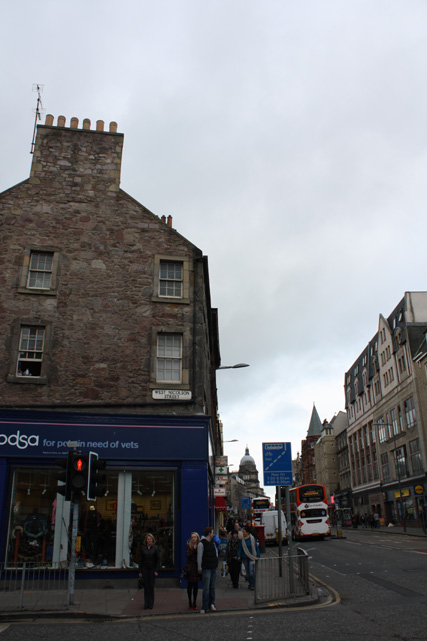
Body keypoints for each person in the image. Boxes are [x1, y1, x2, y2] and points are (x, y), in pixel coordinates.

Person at [197, 526, 218, 614]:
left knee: (212, 587)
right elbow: (199, 557)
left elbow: (216, 553)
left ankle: (212, 603)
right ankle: (204, 606)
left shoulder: (213, 543)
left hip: (213, 567)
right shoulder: (201, 544)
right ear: (209, 533)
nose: (213, 534)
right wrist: (199, 568)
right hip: (206, 568)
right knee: (206, 588)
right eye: (212, 532)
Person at [139, 533, 160, 610]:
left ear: (152, 540)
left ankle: (151, 603)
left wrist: (156, 570)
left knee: (151, 586)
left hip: (152, 570)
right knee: (146, 587)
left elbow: (158, 560)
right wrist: (140, 571)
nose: (149, 540)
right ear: (146, 540)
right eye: (148, 539)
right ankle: (146, 603)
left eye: (150, 539)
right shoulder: (143, 548)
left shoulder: (155, 548)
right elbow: (140, 560)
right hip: (145, 569)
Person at [238, 525, 260, 591]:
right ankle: (250, 584)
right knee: (247, 573)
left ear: (247, 532)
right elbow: (240, 549)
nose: (243, 533)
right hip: (244, 557)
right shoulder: (242, 540)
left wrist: (258, 556)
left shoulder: (252, 539)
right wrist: (239, 556)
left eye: (244, 532)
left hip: (252, 557)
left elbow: (256, 547)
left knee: (251, 572)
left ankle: (252, 585)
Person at [184, 532, 200, 610]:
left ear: (197, 538)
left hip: (196, 567)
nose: (193, 539)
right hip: (190, 568)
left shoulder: (200, 545)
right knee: (189, 586)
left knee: (196, 586)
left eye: (195, 537)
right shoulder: (188, 545)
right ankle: (190, 602)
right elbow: (188, 555)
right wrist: (193, 549)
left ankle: (195, 602)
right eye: (192, 537)